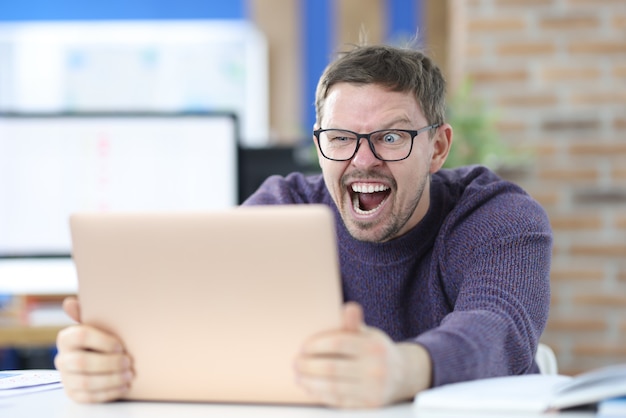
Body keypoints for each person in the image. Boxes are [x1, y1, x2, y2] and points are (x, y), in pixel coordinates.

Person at [55, 44, 552, 409]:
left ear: (437, 148)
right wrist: (110, 363)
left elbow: (501, 329)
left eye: (392, 137)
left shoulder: (495, 215)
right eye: (340, 138)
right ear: (319, 147)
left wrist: (404, 369)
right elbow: (202, 327)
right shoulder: (281, 209)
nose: (364, 160)